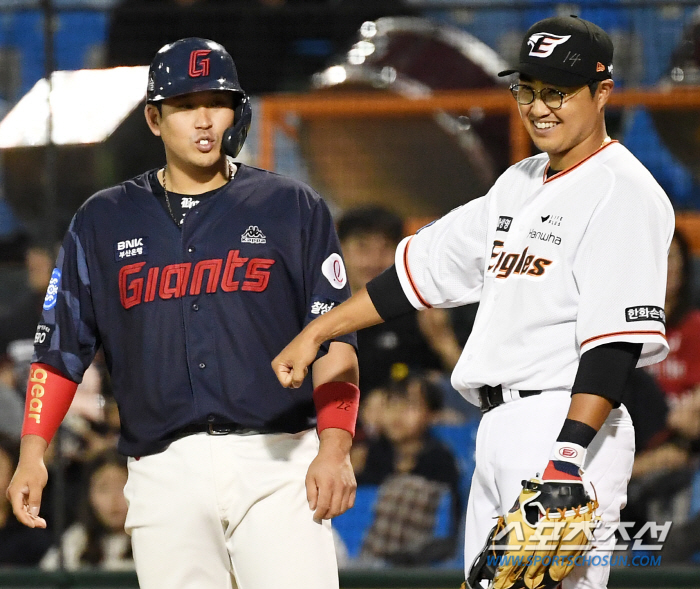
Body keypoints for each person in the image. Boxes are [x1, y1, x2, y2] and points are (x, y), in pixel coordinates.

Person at [272, 15, 674, 589]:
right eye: (528, 90)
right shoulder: (518, 182)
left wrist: (567, 458)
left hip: (565, 429)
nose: (539, 107)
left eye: (557, 91)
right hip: (500, 427)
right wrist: (318, 332)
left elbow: (613, 346)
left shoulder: (624, 192)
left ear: (602, 91)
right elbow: (416, 274)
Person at [7, 38, 359, 589]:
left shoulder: (290, 206)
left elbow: (336, 336)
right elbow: (59, 351)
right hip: (161, 468)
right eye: (184, 104)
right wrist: (33, 453)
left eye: (217, 102)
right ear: (154, 117)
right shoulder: (103, 220)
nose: (203, 120)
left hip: (277, 457)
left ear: (235, 112)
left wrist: (335, 447)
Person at [338, 206, 462, 394]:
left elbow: (467, 384)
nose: (374, 260)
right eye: (363, 247)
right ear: (340, 250)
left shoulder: (423, 311)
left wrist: (443, 342)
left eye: (386, 247)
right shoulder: (318, 312)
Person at [41, 449, 132, 571]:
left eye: (122, 486)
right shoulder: (77, 539)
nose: (113, 500)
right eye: (103, 489)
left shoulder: (155, 538)